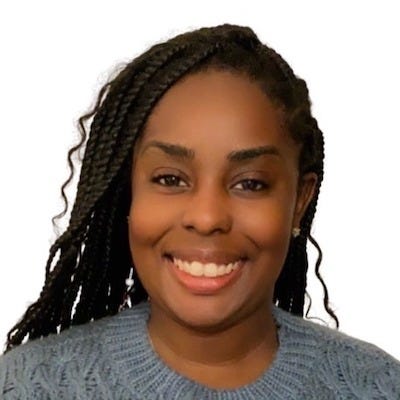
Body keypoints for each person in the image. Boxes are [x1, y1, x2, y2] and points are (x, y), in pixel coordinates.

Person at [0, 23, 399, 399]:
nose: (207, 218)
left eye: (251, 183)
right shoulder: (25, 387)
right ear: (129, 195)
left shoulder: (380, 387)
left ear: (299, 201)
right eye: (170, 179)